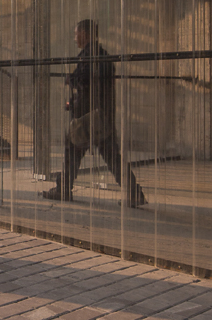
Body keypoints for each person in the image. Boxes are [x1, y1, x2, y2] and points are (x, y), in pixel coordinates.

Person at [42, 19, 145, 207]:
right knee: (111, 156)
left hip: (88, 120)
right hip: (100, 117)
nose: (75, 39)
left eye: (76, 34)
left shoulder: (89, 57)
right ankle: (133, 193)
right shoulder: (102, 55)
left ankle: (63, 189)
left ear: (84, 33)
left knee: (72, 151)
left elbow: (85, 84)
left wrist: (71, 80)